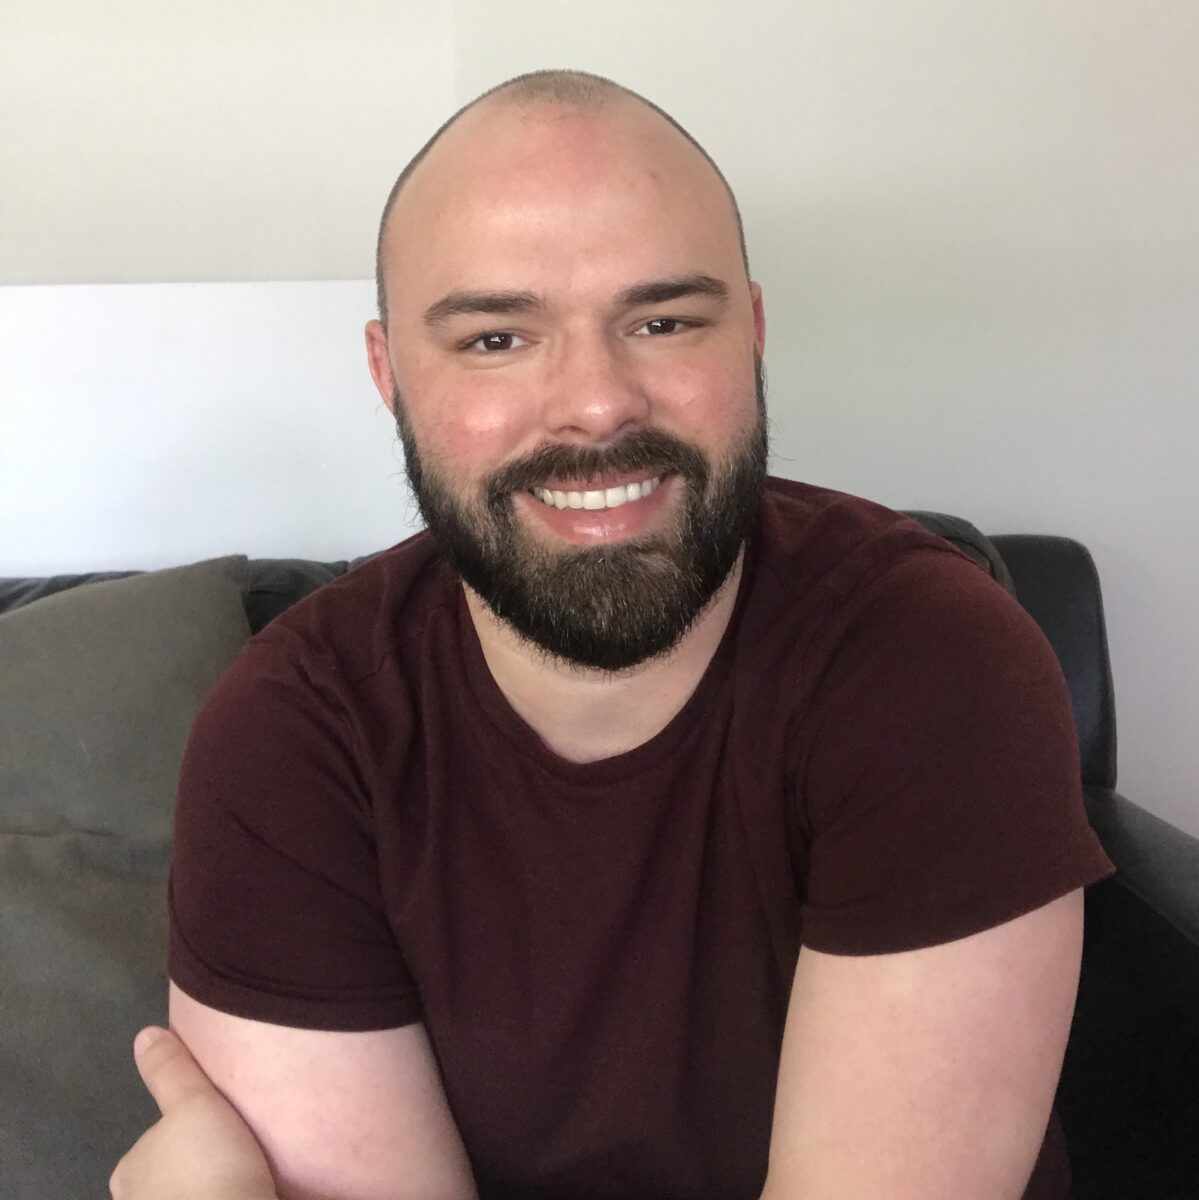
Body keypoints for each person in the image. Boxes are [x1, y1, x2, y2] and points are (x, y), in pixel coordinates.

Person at [110, 69, 1115, 1200]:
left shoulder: (931, 665)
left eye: (663, 322)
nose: (595, 404)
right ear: (390, 377)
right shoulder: (293, 739)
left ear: (751, 334)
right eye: (495, 338)